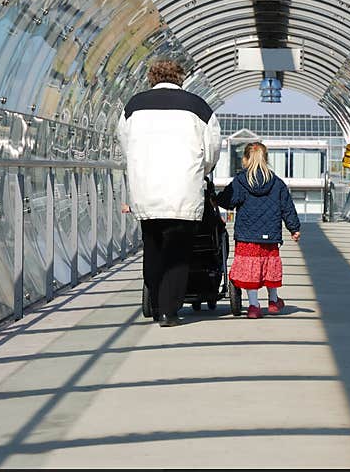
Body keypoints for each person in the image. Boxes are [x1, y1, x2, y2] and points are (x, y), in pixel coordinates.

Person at [116, 59, 221, 327]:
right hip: (183, 190)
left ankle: (155, 300)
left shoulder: (134, 106)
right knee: (178, 253)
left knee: (152, 248)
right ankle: (168, 312)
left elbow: (125, 144)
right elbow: (212, 149)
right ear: (180, 78)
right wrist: (201, 170)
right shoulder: (198, 107)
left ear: (151, 77)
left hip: (146, 189)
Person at [216, 142, 301, 319]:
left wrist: (214, 199)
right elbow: (287, 208)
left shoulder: (241, 180)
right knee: (269, 266)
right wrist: (294, 228)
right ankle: (273, 301)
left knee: (250, 269)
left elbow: (228, 201)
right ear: (266, 159)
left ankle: (253, 306)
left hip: (247, 235)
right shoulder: (277, 183)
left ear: (245, 159)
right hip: (270, 236)